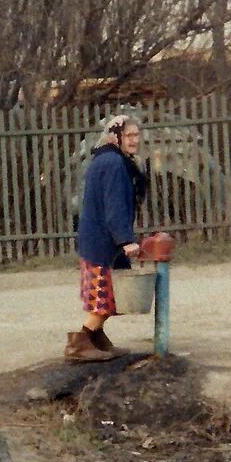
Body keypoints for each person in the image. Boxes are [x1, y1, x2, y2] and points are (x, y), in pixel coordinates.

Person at [67, 114, 148, 363]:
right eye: (130, 135)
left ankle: (98, 339)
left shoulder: (108, 159)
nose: (134, 140)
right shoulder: (113, 163)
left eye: (137, 135)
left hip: (99, 239)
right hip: (103, 242)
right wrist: (126, 240)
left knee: (109, 295)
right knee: (105, 296)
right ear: (117, 136)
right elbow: (114, 206)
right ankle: (80, 342)